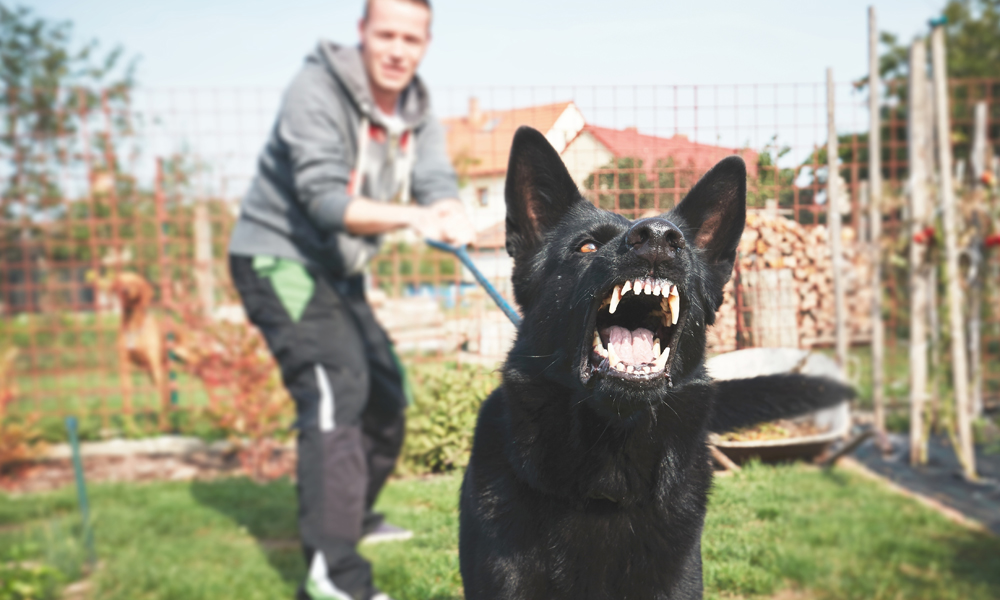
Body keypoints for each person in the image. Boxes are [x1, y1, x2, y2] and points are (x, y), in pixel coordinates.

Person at [228, 1, 473, 598]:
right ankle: (333, 573)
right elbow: (323, 201)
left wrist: (448, 210)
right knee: (337, 388)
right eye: (385, 34)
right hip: (279, 257)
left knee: (387, 394)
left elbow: (436, 181)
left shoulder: (416, 107)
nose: (397, 49)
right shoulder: (314, 90)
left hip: (338, 272)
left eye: (410, 38)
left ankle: (348, 516)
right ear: (362, 33)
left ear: (426, 42)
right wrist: (414, 218)